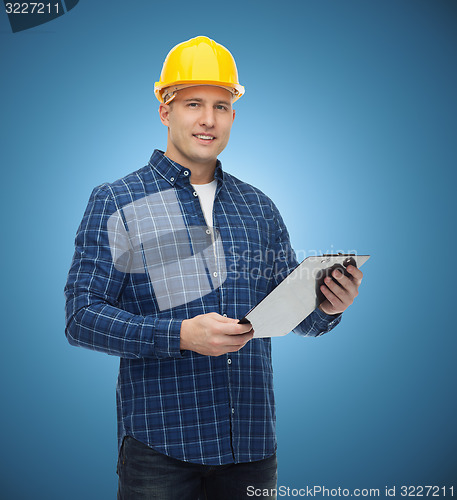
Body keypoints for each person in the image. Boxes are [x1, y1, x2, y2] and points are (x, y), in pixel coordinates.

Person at [64, 36, 364, 500]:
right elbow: (81, 318)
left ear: (233, 116)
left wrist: (327, 306)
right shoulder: (118, 202)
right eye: (193, 104)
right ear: (165, 110)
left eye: (221, 106)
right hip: (159, 448)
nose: (208, 119)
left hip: (251, 447)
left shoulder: (258, 207)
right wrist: (180, 335)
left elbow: (293, 315)